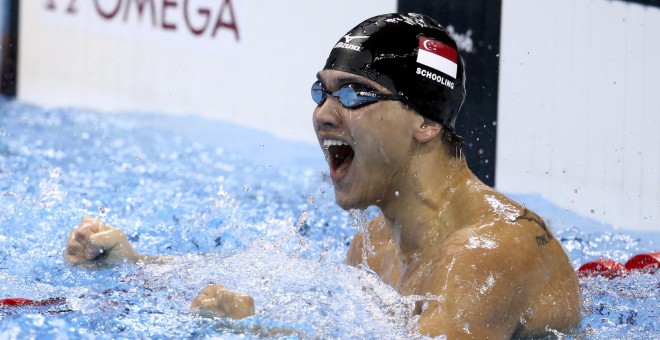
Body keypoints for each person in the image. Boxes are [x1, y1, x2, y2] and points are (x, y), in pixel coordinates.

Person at [64, 13, 581, 338]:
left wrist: (262, 334)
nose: (324, 114)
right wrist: (135, 265)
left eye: (354, 94)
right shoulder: (378, 238)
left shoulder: (489, 252)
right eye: (322, 92)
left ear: (426, 121)